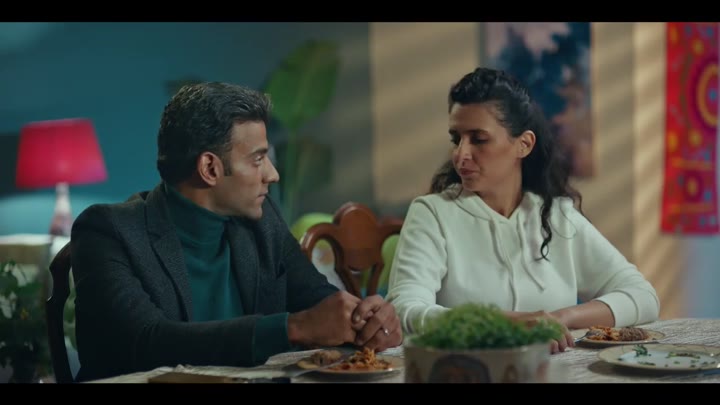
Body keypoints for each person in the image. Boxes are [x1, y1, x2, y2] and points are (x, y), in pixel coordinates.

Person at [69, 82, 402, 382]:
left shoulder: (262, 221)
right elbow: (146, 341)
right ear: (210, 168)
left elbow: (318, 301)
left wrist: (365, 320)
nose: (273, 174)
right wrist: (293, 328)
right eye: (258, 159)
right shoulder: (107, 231)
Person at [385, 67, 659, 354]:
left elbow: (643, 297)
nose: (460, 154)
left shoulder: (557, 215)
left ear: (524, 144)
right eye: (457, 139)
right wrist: (504, 324)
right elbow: (404, 311)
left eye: (478, 139)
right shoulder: (432, 213)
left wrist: (560, 318)